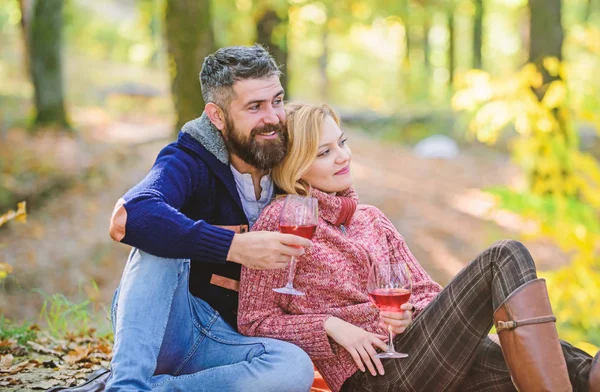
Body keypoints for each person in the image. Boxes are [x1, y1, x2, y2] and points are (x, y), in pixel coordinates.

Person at [238, 102, 600, 392]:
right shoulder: (282, 220)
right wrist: (330, 325)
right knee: (503, 256)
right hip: (372, 377)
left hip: (420, 354)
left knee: (551, 368)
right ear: (296, 166)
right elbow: (253, 320)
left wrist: (408, 313)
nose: (343, 156)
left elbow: (427, 293)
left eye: (342, 143)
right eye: (324, 152)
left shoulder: (372, 219)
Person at [94, 45, 315, 392]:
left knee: (294, 369)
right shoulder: (189, 158)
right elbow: (130, 215)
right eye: (254, 107)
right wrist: (234, 247)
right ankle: (127, 385)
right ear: (217, 116)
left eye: (277, 100)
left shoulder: (292, 159)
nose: (272, 117)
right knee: (157, 239)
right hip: (172, 323)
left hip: (228, 343)